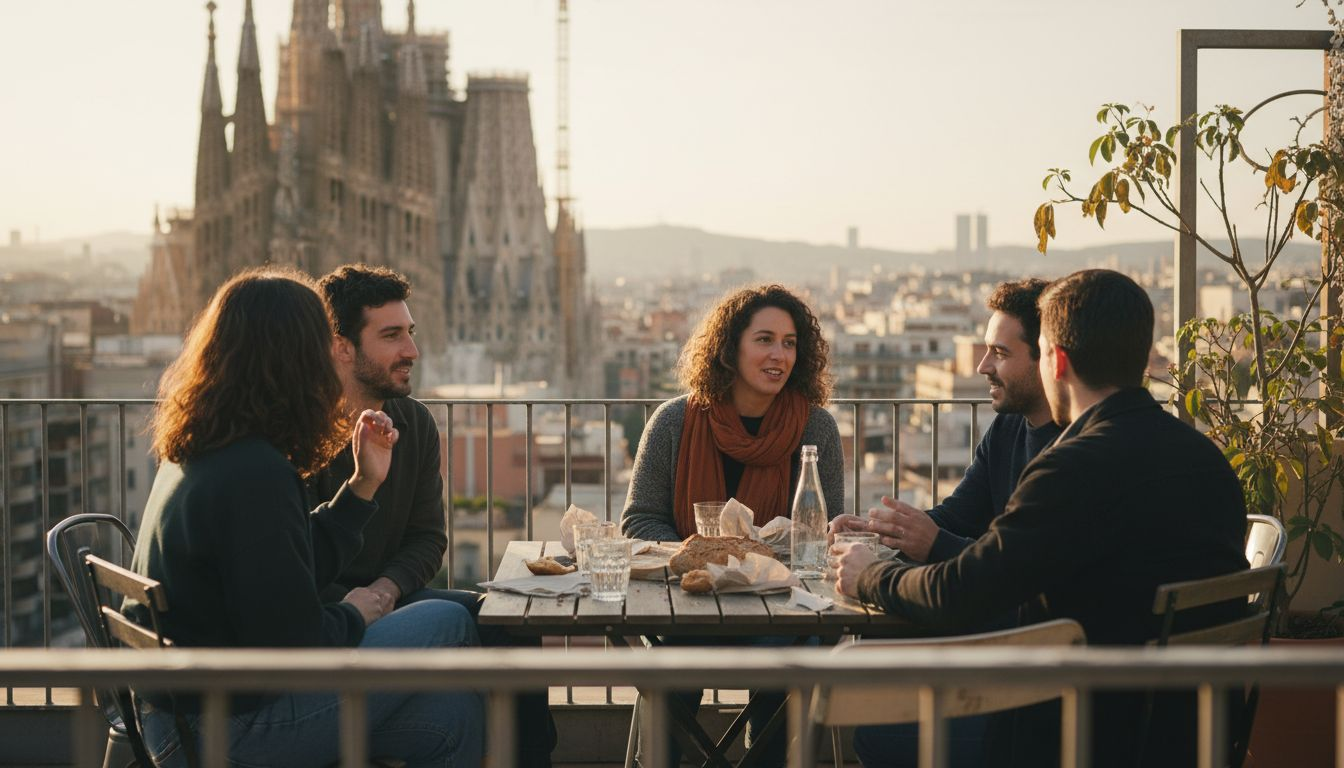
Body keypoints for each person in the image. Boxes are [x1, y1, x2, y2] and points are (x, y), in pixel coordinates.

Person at [834, 269, 1249, 768]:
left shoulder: (1073, 467)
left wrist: (870, 576)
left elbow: (958, 594)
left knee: (878, 733)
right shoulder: (1208, 461)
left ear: (1058, 361)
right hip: (1194, 735)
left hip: (1079, 733)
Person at [129, 268, 483, 768]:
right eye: (319, 345)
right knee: (448, 619)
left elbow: (286, 561)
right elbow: (295, 643)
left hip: (190, 715)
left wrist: (361, 486)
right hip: (229, 729)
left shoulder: (203, 452)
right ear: (291, 358)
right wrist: (359, 611)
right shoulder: (256, 472)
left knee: (452, 717)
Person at [312, 263, 556, 767]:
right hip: (323, 620)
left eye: (411, 332)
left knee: (513, 620)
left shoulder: (414, 423)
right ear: (342, 346)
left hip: (391, 599)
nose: (412, 351)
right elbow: (288, 562)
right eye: (392, 335)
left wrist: (386, 590)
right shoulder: (300, 431)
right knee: (456, 627)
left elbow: (428, 539)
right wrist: (355, 603)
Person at [829, 277, 1060, 768]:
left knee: (878, 732)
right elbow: (958, 515)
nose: (982, 366)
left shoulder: (1072, 457)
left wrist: (930, 544)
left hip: (1031, 673)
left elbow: (1016, 575)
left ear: (1049, 357)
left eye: (999, 352)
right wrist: (882, 532)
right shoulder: (1010, 427)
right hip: (1001, 642)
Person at [621, 284, 844, 767]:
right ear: (730, 348)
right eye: (764, 339)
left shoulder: (816, 429)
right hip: (685, 603)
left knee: (797, 658)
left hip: (776, 610)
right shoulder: (674, 421)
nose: (779, 354)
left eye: (789, 343)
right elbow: (638, 520)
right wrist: (705, 555)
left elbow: (820, 535)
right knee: (671, 669)